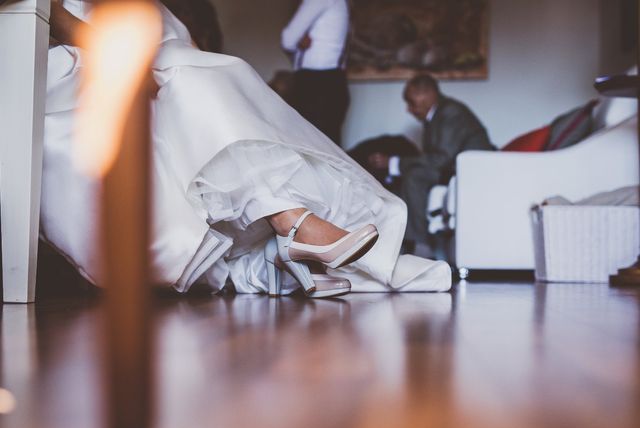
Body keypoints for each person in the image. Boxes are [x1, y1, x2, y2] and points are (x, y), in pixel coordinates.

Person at [42, 0, 451, 298]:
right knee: (193, 90)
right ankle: (288, 232)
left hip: (151, 51)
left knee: (215, 81)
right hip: (78, 66)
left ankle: (283, 242)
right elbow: (58, 19)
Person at [368, 74, 494, 254]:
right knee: (405, 175)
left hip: (470, 172)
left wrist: (395, 163)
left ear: (427, 94)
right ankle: (400, 240)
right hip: (453, 170)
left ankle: (420, 246)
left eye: (411, 102)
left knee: (414, 176)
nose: (408, 110)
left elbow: (442, 159)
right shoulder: (436, 115)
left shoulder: (451, 112)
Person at [281, 0, 350, 145]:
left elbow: (287, 39)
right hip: (334, 81)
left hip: (315, 83)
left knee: (309, 147)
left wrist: (298, 43)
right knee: (329, 149)